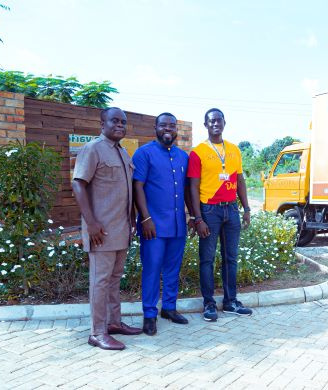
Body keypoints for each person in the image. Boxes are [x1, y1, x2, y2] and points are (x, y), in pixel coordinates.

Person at [72, 107, 143, 351]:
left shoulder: (123, 152)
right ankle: (97, 333)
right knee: (100, 281)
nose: (120, 125)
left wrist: (132, 219)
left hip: (121, 229)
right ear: (102, 122)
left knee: (114, 280)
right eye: (115, 121)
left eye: (123, 121)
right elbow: (78, 184)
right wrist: (90, 222)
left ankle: (113, 323)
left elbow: (127, 191)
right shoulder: (93, 149)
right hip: (100, 231)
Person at [187, 108, 253, 322]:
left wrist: (247, 209)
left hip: (231, 209)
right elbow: (193, 187)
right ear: (205, 125)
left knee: (230, 258)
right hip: (209, 211)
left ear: (224, 122)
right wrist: (198, 218)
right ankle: (209, 304)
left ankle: (230, 301)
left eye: (219, 120)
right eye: (211, 121)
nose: (215, 124)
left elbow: (240, 180)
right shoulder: (198, 152)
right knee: (207, 259)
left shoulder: (234, 149)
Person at [132, 112, 193, 336]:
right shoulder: (144, 153)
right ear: (155, 128)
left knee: (172, 269)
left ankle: (169, 308)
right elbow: (137, 187)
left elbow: (187, 190)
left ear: (176, 129)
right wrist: (145, 218)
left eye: (172, 126)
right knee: (151, 269)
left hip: (177, 225)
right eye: (163, 125)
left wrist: (193, 217)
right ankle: (149, 314)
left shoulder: (183, 156)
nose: (168, 129)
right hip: (153, 226)